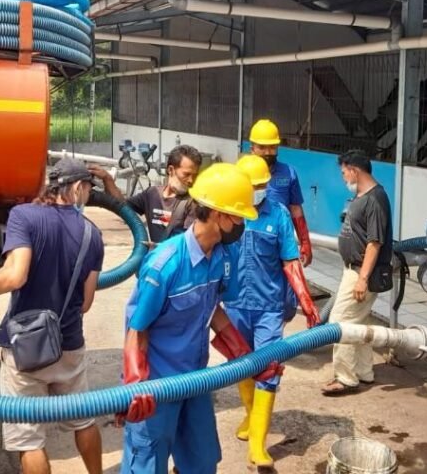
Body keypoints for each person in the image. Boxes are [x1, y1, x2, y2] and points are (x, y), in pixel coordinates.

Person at [0, 158, 104, 474]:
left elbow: (15, 276)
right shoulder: (92, 234)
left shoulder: (24, 216)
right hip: (69, 343)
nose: (88, 196)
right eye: (87, 189)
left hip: (26, 349)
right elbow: (85, 303)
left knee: (29, 439)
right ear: (77, 187)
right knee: (83, 420)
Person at [117, 163, 282, 474]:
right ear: (219, 215)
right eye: (239, 217)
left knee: (203, 461)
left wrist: (247, 359)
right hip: (157, 385)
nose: (243, 225)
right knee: (147, 465)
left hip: (196, 379)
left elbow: (212, 309)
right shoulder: (165, 265)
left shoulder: (222, 255)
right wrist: (134, 383)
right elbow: (137, 329)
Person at [226, 154, 321, 471]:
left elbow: (290, 262)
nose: (259, 191)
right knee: (240, 366)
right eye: (253, 186)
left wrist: (306, 301)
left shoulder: (278, 214)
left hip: (268, 307)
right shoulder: (228, 213)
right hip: (234, 305)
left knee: (267, 370)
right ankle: (251, 416)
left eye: (262, 185)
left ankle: (257, 444)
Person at [322, 149, 393, 397]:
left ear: (354, 170)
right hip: (353, 269)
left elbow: (375, 242)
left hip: (361, 272)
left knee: (340, 321)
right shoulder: (362, 196)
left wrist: (362, 279)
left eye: (344, 173)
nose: (343, 178)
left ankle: (345, 378)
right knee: (359, 322)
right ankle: (364, 372)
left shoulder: (375, 199)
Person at [94, 144, 202, 245]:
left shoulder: (193, 204)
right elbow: (122, 206)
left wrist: (157, 248)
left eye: (194, 175)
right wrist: (107, 180)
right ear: (171, 170)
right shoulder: (152, 194)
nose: (191, 180)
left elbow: (188, 244)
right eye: (186, 174)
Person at [248, 119, 313, 267]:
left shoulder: (288, 173)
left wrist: (305, 242)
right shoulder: (241, 172)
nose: (267, 152)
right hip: (249, 240)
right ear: (252, 148)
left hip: (279, 242)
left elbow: (295, 209)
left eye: (272, 147)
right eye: (262, 147)